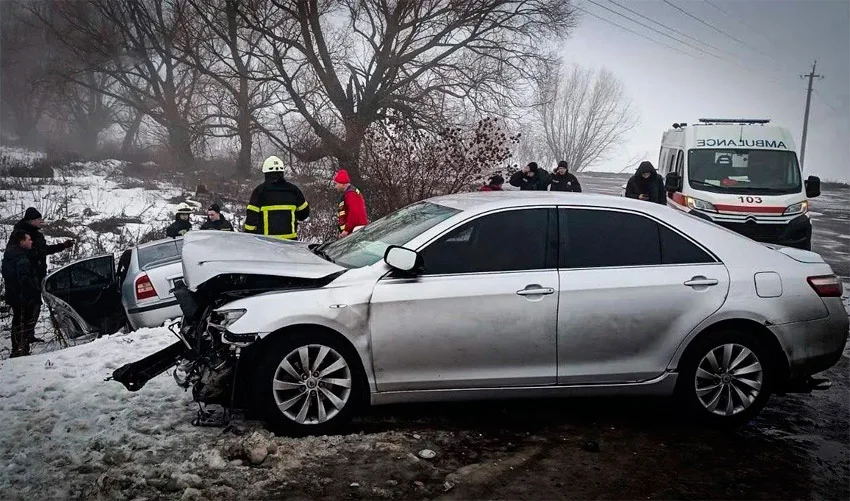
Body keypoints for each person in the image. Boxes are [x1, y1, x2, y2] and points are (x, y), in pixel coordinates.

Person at [244, 156, 310, 239]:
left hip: (267, 244)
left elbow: (250, 221)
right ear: (282, 172)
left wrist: (250, 237)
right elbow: (304, 214)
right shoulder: (294, 190)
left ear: (266, 173)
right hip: (290, 244)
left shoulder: (259, 191)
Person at [2, 231, 42, 357]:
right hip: (23, 297)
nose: (31, 241)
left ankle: (18, 348)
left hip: (13, 296)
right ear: (22, 242)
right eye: (29, 239)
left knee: (17, 322)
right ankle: (21, 349)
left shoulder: (9, 256)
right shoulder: (22, 258)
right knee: (24, 323)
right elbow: (24, 279)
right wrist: (33, 292)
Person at [334, 169, 368, 237]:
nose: (335, 186)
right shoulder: (350, 193)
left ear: (343, 184)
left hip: (356, 231)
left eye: (336, 184)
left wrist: (346, 230)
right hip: (355, 230)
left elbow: (353, 213)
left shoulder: (351, 194)